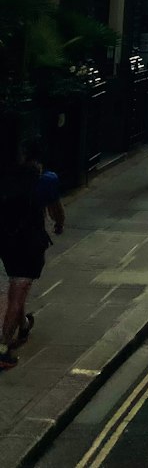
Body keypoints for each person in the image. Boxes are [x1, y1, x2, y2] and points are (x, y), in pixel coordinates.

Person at [0, 141, 65, 371]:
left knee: (18, 286)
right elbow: (55, 210)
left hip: (6, 243)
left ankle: (24, 324)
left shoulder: (10, 176)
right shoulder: (47, 179)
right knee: (16, 294)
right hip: (29, 244)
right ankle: (3, 349)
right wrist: (59, 224)